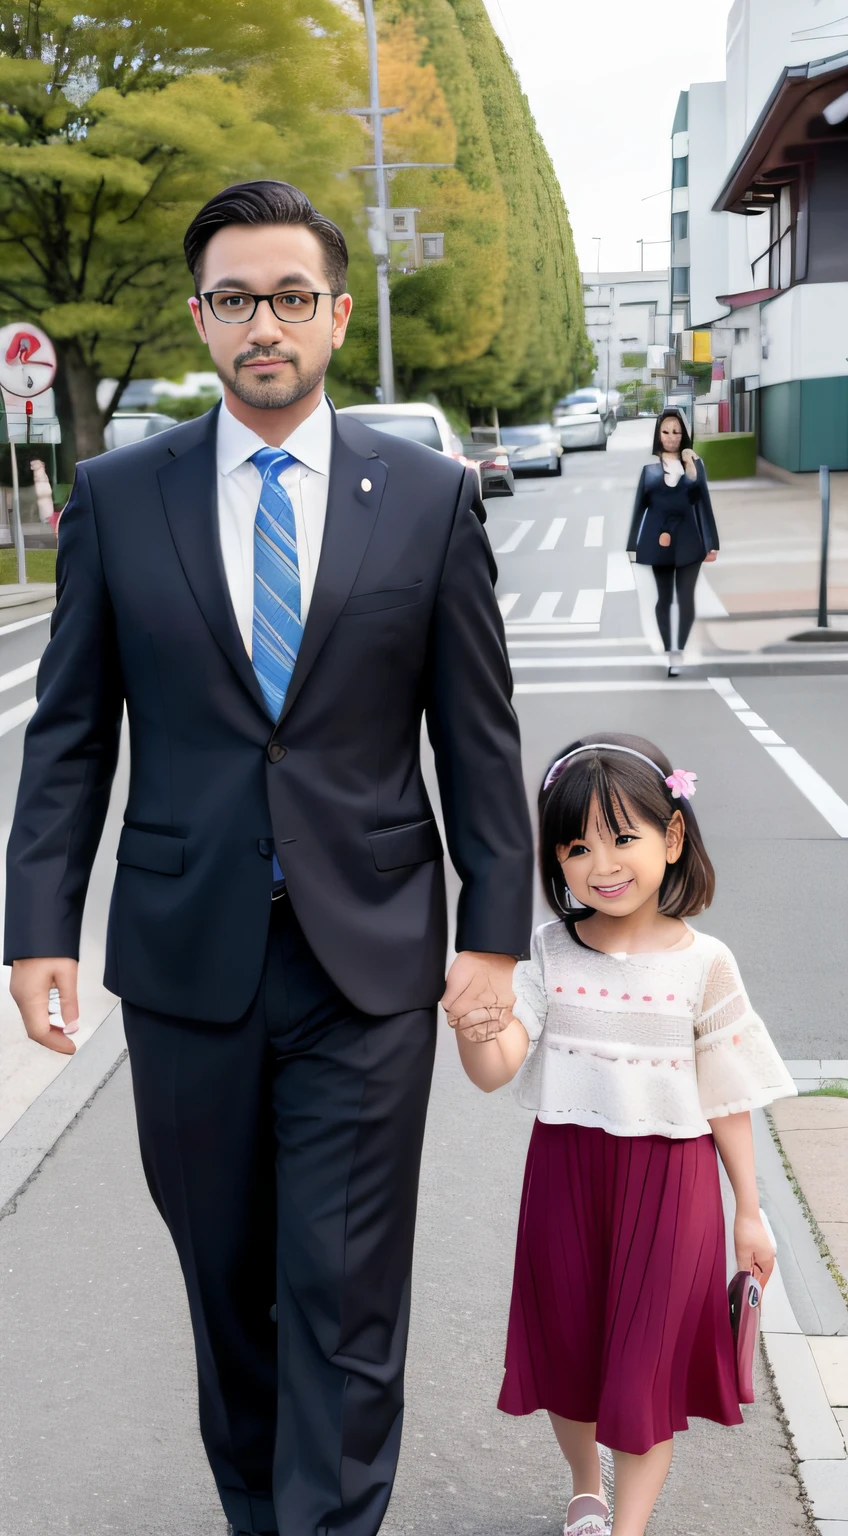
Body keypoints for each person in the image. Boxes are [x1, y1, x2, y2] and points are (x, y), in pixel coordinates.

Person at [4, 180, 534, 1536]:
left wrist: (492, 937)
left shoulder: (424, 498)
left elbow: (479, 738)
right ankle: (264, 1513)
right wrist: (38, 928)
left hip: (369, 962)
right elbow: (68, 733)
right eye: (236, 299)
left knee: (347, 1289)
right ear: (201, 317)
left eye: (291, 297)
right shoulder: (123, 496)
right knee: (229, 1284)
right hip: (189, 965)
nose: (264, 324)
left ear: (338, 314)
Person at [452, 733, 796, 1536]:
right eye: (576, 847)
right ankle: (585, 1489)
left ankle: (628, 1527)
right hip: (566, 1175)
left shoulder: (705, 962)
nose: (601, 863)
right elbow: (499, 1065)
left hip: (673, 1184)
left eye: (623, 837)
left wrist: (749, 1210)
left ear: (672, 839)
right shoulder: (547, 951)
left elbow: (727, 1095)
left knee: (644, 1372)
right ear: (556, 863)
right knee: (568, 1351)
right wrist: (475, 1024)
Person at [626, 408, 719, 678]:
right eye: (666, 432)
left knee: (686, 597)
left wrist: (712, 542)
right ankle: (671, 650)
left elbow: (703, 502)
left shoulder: (694, 465)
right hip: (659, 541)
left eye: (676, 432)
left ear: (684, 435)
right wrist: (632, 545)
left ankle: (681, 647)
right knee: (664, 598)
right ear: (658, 435)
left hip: (690, 539)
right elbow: (638, 509)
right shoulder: (650, 471)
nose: (671, 437)